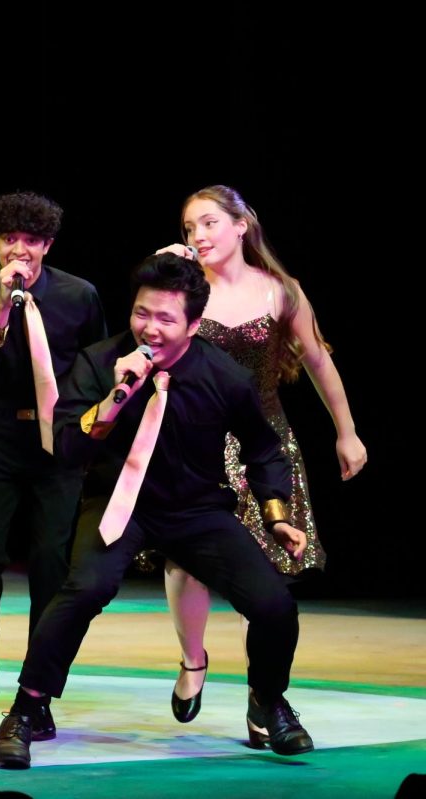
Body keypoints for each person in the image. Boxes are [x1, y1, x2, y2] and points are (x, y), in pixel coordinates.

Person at [0, 254, 313, 768]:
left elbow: (262, 447)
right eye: (143, 313)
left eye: (166, 319)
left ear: (193, 324)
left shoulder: (223, 375)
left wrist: (276, 514)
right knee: (84, 590)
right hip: (120, 502)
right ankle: (28, 709)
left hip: (196, 507)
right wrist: (117, 398)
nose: (150, 328)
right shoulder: (100, 363)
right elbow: (68, 447)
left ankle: (269, 701)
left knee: (274, 605)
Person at [155, 185, 367, 728]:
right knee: (187, 563)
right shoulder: (184, 289)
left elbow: (318, 362)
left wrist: (346, 432)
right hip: (195, 444)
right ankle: (193, 659)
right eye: (188, 228)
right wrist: (164, 279)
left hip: (264, 444)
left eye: (208, 223)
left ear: (241, 225)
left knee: (271, 578)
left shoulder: (281, 291)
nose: (197, 236)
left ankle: (263, 699)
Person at [0, 192, 106, 736]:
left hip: (58, 440)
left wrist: (84, 435)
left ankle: (34, 688)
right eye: (9, 239)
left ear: (47, 244)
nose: (20, 249)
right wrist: (3, 304)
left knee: (49, 562)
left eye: (31, 240)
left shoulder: (78, 294)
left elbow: (98, 366)